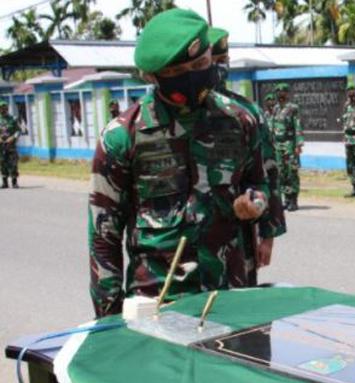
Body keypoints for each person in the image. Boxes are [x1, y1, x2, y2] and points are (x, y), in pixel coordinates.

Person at [88, 9, 273, 317]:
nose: (193, 76)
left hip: (232, 294)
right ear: (151, 76)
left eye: (200, 64)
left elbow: (259, 182)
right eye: (177, 73)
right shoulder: (122, 137)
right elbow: (103, 235)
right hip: (159, 301)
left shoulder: (240, 120)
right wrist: (108, 320)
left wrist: (256, 202)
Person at [208, 26, 286, 286]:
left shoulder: (247, 113)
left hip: (237, 242)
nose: (219, 68)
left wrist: (269, 235)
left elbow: (269, 172)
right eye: (212, 61)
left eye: (223, 61)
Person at [271, 83, 304, 211]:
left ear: (287, 93)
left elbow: (297, 126)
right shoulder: (275, 109)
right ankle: (286, 199)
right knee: (281, 172)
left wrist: (298, 144)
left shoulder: (293, 108)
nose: (280, 94)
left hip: (290, 145)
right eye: (278, 92)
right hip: (277, 145)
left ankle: (294, 200)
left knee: (292, 172)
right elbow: (272, 126)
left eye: (283, 92)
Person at [0, 100, 20, 189]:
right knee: (3, 163)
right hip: (1, 146)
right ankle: (4, 182)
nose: (3, 109)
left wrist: (13, 138)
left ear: (7, 108)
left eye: (4, 107)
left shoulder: (13, 119)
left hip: (11, 145)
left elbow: (18, 131)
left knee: (13, 163)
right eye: (1, 108)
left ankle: (14, 182)